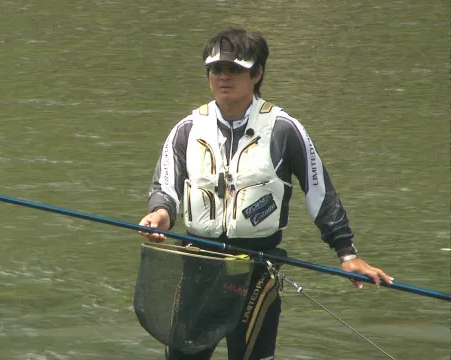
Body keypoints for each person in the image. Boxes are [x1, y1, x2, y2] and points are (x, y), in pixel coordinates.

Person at [138, 27, 394, 360]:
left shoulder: (285, 129)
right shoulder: (186, 130)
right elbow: (165, 189)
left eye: (235, 69)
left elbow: (319, 191)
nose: (224, 77)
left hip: (258, 269)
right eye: (217, 69)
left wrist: (346, 253)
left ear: (257, 73)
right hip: (197, 266)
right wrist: (159, 214)